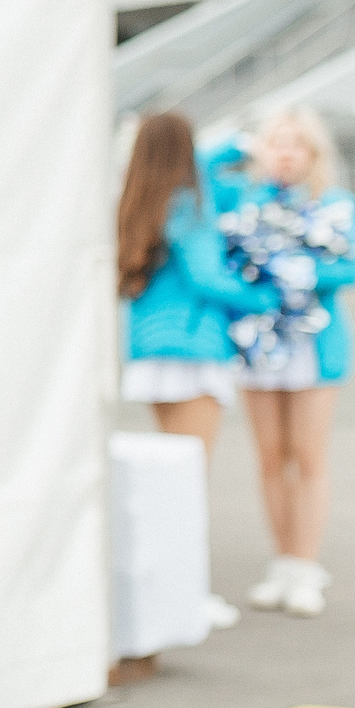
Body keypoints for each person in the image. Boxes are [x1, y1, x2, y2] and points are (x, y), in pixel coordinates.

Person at [115, 111, 278, 633]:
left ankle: (178, 592)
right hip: (194, 347)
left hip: (150, 349)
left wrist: (231, 147)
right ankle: (188, 595)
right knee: (188, 483)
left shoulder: (142, 196)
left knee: (173, 476)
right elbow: (208, 276)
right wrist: (269, 296)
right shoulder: (187, 203)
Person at [210, 106, 355, 619]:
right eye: (276, 142)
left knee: (308, 456)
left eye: (296, 143)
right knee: (269, 456)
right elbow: (196, 170)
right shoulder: (241, 199)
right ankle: (282, 560)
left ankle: (305, 566)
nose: (285, 153)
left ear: (313, 153)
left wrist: (299, 273)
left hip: (313, 344)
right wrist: (240, 145)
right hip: (258, 343)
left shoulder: (334, 204)